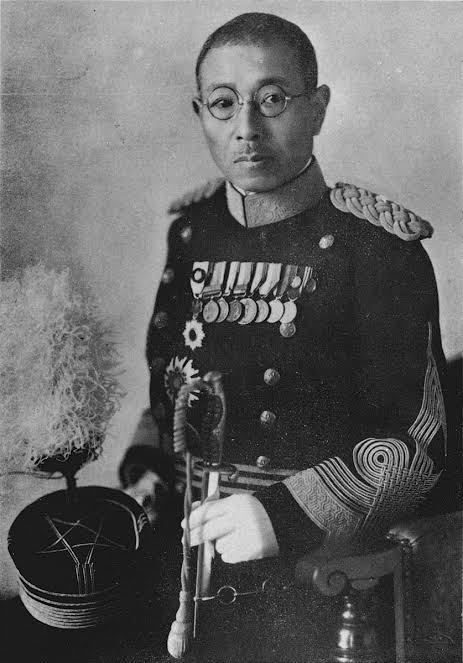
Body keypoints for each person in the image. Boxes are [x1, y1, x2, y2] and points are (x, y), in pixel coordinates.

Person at [119, 11, 448, 660]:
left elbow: (419, 443)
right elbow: (171, 386)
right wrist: (143, 476)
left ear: (317, 108)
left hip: (316, 573)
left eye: (272, 99)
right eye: (222, 103)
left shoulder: (377, 248)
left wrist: (283, 515)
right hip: (179, 559)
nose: (246, 127)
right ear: (200, 113)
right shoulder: (192, 233)